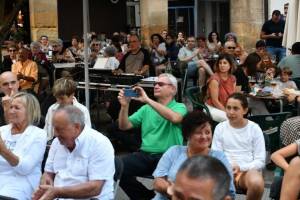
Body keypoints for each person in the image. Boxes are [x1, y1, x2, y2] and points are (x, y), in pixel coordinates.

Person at [117, 73, 187, 199]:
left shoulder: (179, 107)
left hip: (168, 157)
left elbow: (175, 118)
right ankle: (146, 197)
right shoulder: (146, 108)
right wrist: (124, 106)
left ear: (173, 89)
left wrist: (148, 100)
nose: (156, 86)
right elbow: (124, 126)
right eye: (155, 84)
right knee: (116, 167)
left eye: (161, 84)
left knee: (169, 186)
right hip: (145, 155)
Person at [32, 105, 115, 200]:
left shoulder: (99, 143)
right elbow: (48, 173)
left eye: (59, 129)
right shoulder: (56, 142)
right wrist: (45, 185)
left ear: (76, 127)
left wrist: (57, 192)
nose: (55, 133)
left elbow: (95, 188)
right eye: (54, 128)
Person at [152, 111, 235, 200]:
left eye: (207, 132)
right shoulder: (174, 151)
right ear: (188, 135)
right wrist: (172, 191)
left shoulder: (219, 157)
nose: (204, 137)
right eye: (199, 133)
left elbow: (229, 192)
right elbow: (158, 181)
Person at [212, 93, 265, 200]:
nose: (231, 112)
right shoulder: (220, 128)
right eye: (228, 108)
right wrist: (228, 166)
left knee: (257, 184)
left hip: (247, 171)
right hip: (224, 170)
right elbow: (216, 156)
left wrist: (241, 167)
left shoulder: (254, 129)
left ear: (245, 110)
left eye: (236, 108)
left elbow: (260, 161)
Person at [0, 92, 47, 199]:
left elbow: (25, 168)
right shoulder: (2, 131)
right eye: (10, 107)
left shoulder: (38, 134)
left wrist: (3, 150)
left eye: (17, 108)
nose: (11, 111)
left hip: (21, 183)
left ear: (29, 111)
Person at [205, 54, 236, 122]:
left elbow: (233, 97)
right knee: (230, 119)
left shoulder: (232, 78)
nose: (222, 65)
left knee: (239, 116)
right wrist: (227, 112)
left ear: (230, 65)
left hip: (226, 106)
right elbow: (215, 101)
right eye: (220, 63)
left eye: (225, 63)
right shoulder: (214, 79)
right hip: (212, 107)